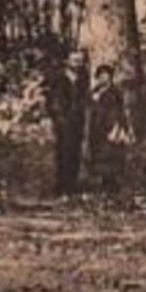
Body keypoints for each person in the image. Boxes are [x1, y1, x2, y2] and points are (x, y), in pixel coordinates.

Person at [43, 47, 89, 196]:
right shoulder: (58, 78)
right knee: (63, 152)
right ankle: (61, 186)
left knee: (75, 151)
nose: (78, 64)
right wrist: (58, 117)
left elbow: (84, 98)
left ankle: (72, 185)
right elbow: (51, 101)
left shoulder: (83, 78)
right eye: (75, 61)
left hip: (77, 120)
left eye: (81, 61)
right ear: (67, 62)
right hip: (63, 120)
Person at [85, 63, 133, 195]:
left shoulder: (115, 93)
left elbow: (120, 111)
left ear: (110, 78)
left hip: (111, 127)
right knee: (99, 156)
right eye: (101, 76)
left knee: (111, 157)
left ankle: (113, 187)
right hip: (97, 129)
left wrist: (119, 127)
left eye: (106, 76)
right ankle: (104, 185)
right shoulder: (94, 92)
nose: (103, 79)